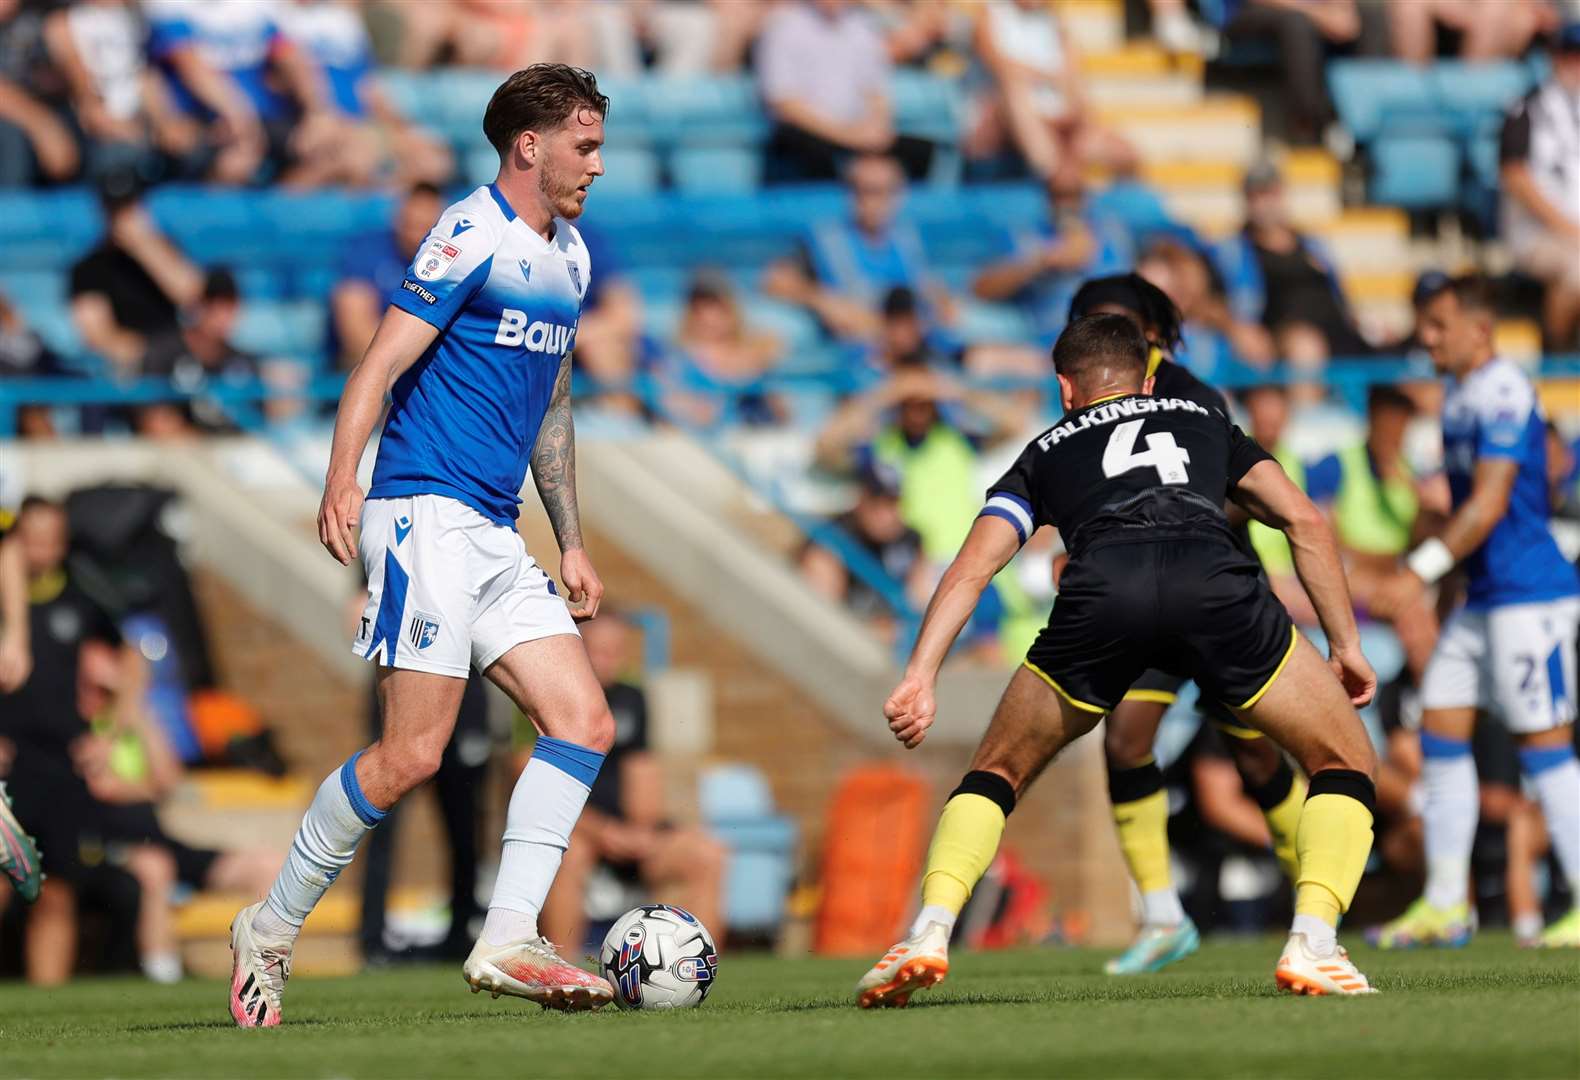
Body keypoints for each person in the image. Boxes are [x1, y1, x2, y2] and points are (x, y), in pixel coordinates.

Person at [228, 63, 617, 1028]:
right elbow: (381, 362)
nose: (596, 165)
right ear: (530, 144)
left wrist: (569, 539)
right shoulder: (469, 231)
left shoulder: (570, 258)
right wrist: (341, 480)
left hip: (494, 529)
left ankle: (508, 936)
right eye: (585, 142)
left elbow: (551, 404)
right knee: (412, 756)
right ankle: (269, 931)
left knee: (585, 723)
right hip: (423, 516)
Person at [856, 313, 1382, 1007]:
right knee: (1344, 761)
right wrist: (1344, 646)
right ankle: (1313, 942)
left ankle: (928, 931)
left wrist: (920, 674)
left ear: (1066, 388)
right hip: (1212, 584)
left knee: (997, 772)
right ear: (1145, 375)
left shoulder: (1045, 449)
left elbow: (971, 568)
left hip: (1105, 593)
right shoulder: (1202, 418)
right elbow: (1304, 521)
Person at [1061, 275, 1304, 977]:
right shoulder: (1090, 408)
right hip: (1142, 596)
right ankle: (1164, 916)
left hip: (1218, 593)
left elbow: (1233, 498)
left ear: (1153, 331)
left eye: (1116, 325)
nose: (1103, 340)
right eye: (1089, 324)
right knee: (1126, 738)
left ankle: (1316, 899)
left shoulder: (1194, 397)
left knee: (1257, 758)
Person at [1370, 275, 1580, 951]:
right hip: (1483, 598)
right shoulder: (1458, 396)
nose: (1425, 337)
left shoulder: (1503, 391)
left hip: (1529, 598)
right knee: (1439, 731)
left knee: (1545, 748)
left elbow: (1488, 506)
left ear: (1479, 329)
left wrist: (1417, 576)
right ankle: (1444, 904)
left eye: (1437, 325)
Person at [537, 611, 726, 953]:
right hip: (578, 830)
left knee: (707, 854)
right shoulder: (547, 695)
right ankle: (563, 969)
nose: (610, 660)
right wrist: (602, 831)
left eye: (616, 651)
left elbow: (643, 770)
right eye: (599, 651)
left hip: (625, 833)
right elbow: (532, 782)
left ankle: (692, 966)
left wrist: (641, 832)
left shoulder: (631, 698)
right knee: (569, 855)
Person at [1214, 160, 1371, 397]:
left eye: (1270, 192)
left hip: (1337, 336)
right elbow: (1203, 299)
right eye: (1256, 195)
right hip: (1281, 343)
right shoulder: (1232, 252)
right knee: (1305, 347)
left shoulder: (1314, 246)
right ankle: (1307, 426)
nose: (1264, 203)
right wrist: (1235, 328)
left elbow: (1341, 301)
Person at [762, 152, 952, 342]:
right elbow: (776, 281)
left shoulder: (906, 239)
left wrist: (939, 300)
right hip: (855, 346)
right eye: (867, 190)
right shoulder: (826, 240)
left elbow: (927, 288)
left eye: (888, 191)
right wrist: (821, 300)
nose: (877, 202)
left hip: (902, 340)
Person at [756, 0, 932, 184]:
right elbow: (783, 103)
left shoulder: (862, 26)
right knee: (816, 154)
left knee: (920, 152)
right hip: (807, 132)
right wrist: (846, 135)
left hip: (853, 130)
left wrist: (877, 129)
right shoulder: (783, 27)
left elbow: (876, 91)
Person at [966, 0, 1138, 179]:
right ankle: (1054, 175)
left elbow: (1072, 76)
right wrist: (1047, 77)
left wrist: (1075, 109)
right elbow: (1000, 66)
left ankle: (1072, 180)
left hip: (1052, 114)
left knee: (1123, 153)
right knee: (1015, 91)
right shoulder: (990, 13)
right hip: (1004, 117)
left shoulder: (1054, 22)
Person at [972, 165, 1132, 344]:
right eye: (1059, 195)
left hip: (1092, 335)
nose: (1066, 204)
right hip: (1032, 331)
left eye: (1073, 194)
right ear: (1047, 198)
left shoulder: (1108, 234)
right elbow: (981, 289)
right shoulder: (1027, 235)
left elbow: (1124, 296)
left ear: (1086, 198)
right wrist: (1041, 261)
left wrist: (1088, 258)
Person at [68, 174, 204, 374]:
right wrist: (148, 353)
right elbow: (97, 335)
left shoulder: (166, 251)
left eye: (129, 207)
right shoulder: (88, 269)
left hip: (176, 361)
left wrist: (144, 247)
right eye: (115, 210)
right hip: (132, 369)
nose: (122, 217)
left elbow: (193, 294)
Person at [1498, 23, 1580, 350]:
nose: (1575, 63)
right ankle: (1558, 354)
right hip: (1537, 233)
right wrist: (1567, 227)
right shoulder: (1526, 109)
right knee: (1577, 268)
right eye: (1569, 54)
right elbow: (1516, 177)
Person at [800, 461, 932, 641]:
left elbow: (920, 605)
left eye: (893, 502)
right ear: (861, 498)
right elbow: (822, 620)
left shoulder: (911, 541)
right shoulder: (831, 538)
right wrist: (874, 631)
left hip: (892, 641)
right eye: (878, 501)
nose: (886, 513)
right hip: (845, 641)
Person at [330, 182, 445, 370]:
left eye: (425, 227)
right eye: (410, 225)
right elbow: (354, 326)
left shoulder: (453, 262)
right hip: (368, 365)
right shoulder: (367, 250)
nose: (415, 236)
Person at [136, 268, 263, 437]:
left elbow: (268, 414)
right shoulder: (162, 353)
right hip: (176, 455)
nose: (222, 316)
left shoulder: (243, 360)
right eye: (213, 306)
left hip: (232, 453)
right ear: (197, 306)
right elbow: (154, 420)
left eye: (229, 307)